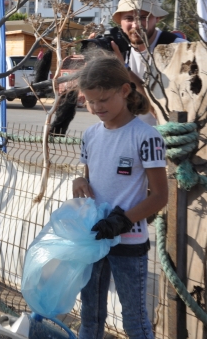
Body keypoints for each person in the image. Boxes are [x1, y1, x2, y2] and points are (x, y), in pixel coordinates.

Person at [72, 55, 168, 339]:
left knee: (135, 321)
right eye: (90, 101)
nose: (96, 107)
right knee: (90, 315)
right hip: (95, 237)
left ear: (125, 90)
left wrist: (122, 220)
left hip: (128, 240)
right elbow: (89, 179)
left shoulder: (146, 136)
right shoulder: (90, 134)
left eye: (103, 99)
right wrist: (79, 180)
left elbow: (160, 196)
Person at [110, 0, 187, 125]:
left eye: (143, 17)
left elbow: (161, 110)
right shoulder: (118, 49)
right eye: (129, 18)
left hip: (167, 139)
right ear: (120, 21)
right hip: (129, 137)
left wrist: (123, 68)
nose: (136, 25)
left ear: (157, 18)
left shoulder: (178, 48)